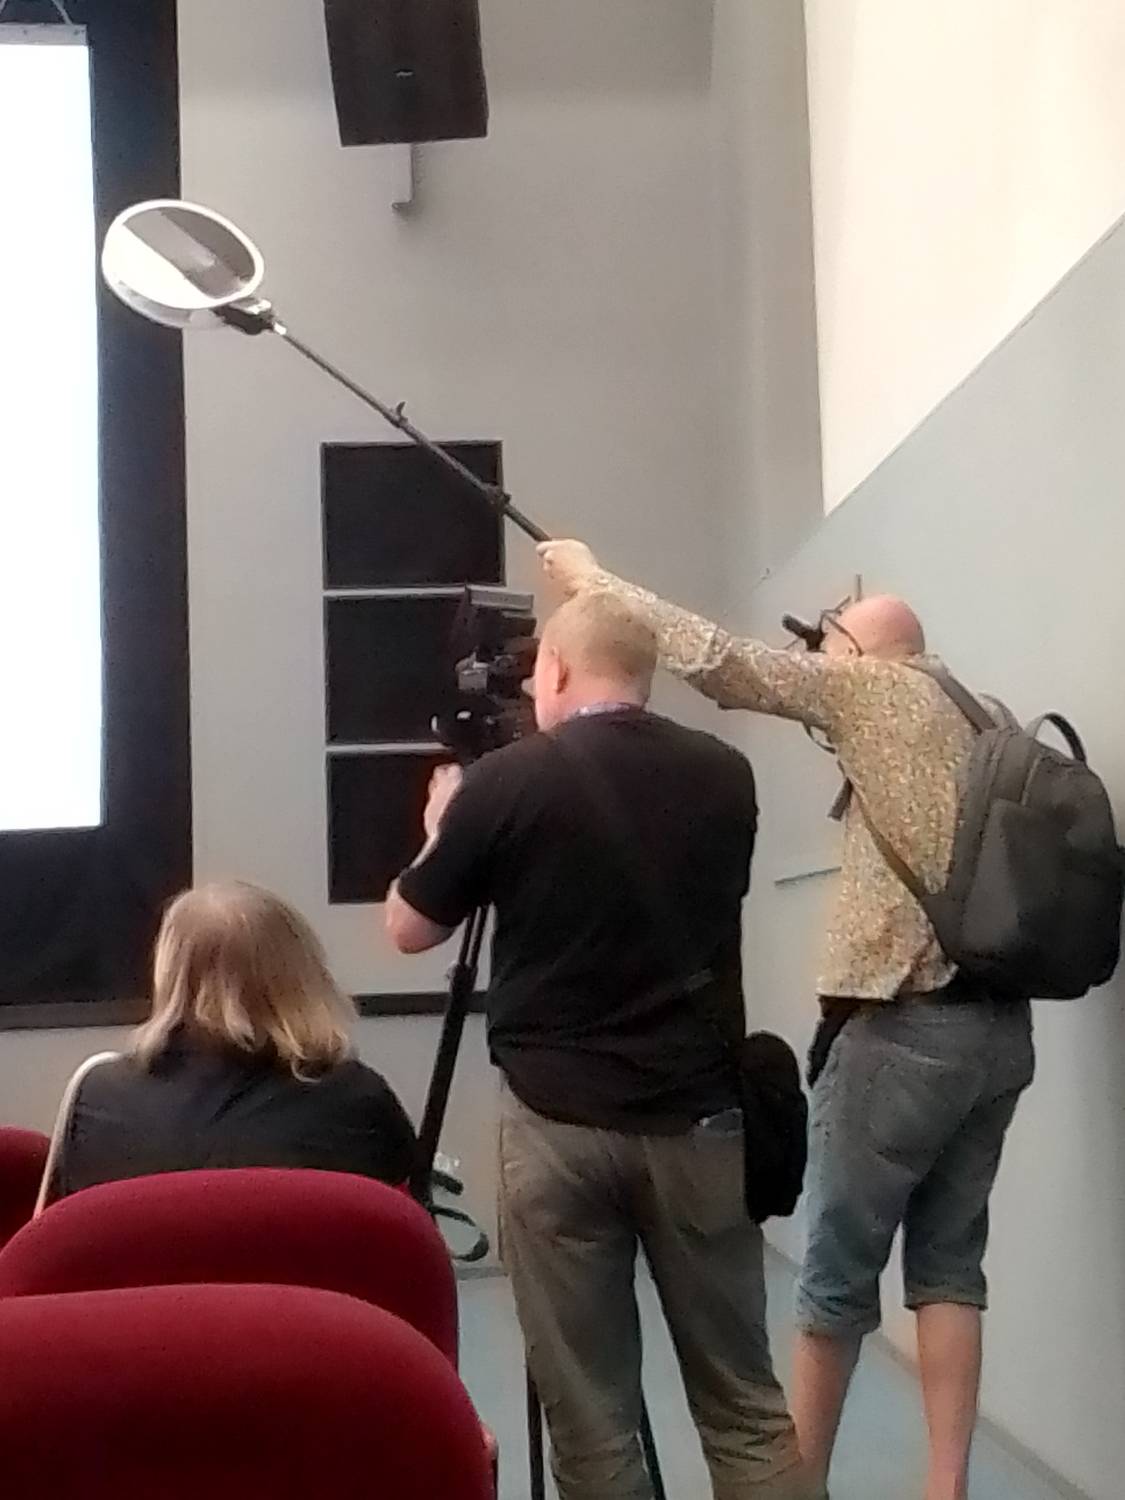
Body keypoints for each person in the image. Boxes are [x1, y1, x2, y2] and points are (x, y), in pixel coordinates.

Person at [538, 540, 1035, 1500]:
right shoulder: (985, 716)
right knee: (949, 1267)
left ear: (861, 649)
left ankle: (794, 1486)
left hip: (899, 1032)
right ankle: (946, 1488)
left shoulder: (875, 691)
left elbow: (725, 662)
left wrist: (597, 583)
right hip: (996, 1033)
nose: (819, 657)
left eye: (829, 641)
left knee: (832, 1282)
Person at [386, 591, 804, 1500]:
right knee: (744, 1407)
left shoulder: (505, 783)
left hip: (555, 1126)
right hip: (700, 1119)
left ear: (557, 668)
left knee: (592, 1421)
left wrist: (442, 827)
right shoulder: (726, 774)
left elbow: (410, 928)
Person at [39, 881, 416, 1207]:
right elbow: (408, 1237)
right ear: (303, 974)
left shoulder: (97, 1098)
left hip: (149, 1275)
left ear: (169, 975)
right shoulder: (358, 1099)